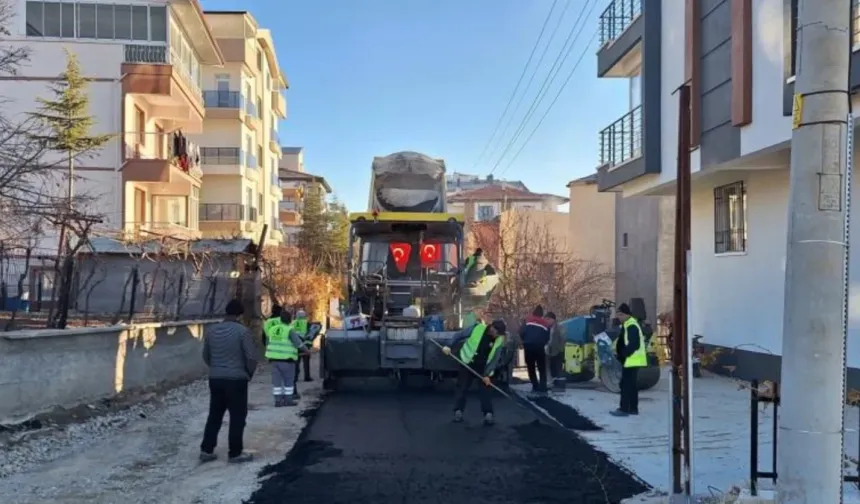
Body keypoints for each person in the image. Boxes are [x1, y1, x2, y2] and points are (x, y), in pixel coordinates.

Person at [199, 299, 257, 464]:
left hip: (215, 378)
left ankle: (207, 449)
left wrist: (216, 368)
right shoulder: (242, 332)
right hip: (237, 379)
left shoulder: (212, 330)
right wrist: (248, 373)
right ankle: (235, 453)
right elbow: (252, 357)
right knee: (237, 416)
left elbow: (206, 355)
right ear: (240, 314)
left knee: (215, 415)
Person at [442, 319, 508, 426]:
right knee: (462, 387)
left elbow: (494, 359)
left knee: (485, 390)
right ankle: (458, 412)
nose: (498, 336)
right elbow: (459, 335)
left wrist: (487, 374)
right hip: (467, 362)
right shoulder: (477, 328)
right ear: (492, 328)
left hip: (482, 367)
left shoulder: (499, 340)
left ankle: (488, 414)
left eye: (500, 334)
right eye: (497, 333)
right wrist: (448, 346)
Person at [266, 311, 310, 407]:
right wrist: (307, 350)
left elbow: (268, 343)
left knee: (276, 382)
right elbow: (298, 343)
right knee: (288, 381)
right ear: (290, 320)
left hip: (274, 361)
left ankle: (277, 401)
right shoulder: (289, 330)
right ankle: (288, 400)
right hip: (287, 361)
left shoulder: (272, 329)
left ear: (281, 319)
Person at [611, 302, 648, 416]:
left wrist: (623, 354)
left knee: (625, 385)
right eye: (618, 315)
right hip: (631, 360)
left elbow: (634, 344)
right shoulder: (628, 325)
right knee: (631, 385)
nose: (619, 317)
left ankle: (624, 409)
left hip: (632, 360)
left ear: (627, 314)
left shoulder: (631, 326)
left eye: (621, 314)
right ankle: (633, 408)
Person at [519, 305, 552, 396]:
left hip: (528, 346)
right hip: (539, 347)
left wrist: (525, 340)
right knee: (542, 368)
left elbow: (521, 332)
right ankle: (543, 387)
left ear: (533, 312)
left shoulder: (527, 320)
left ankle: (535, 386)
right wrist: (542, 343)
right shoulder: (545, 323)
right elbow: (547, 337)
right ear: (542, 314)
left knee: (531, 367)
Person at [545, 311, 566, 392]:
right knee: (553, 368)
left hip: (558, 351)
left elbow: (563, 339)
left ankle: (561, 386)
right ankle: (555, 384)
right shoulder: (548, 328)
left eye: (548, 319)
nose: (546, 321)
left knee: (559, 368)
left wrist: (560, 349)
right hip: (551, 351)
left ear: (553, 319)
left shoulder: (560, 327)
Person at [292, 309, 313, 382]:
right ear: (304, 316)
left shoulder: (293, 323)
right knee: (306, 362)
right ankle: (307, 377)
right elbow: (311, 334)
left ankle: (295, 377)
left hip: (296, 345)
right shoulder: (307, 323)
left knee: (296, 362)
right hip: (305, 344)